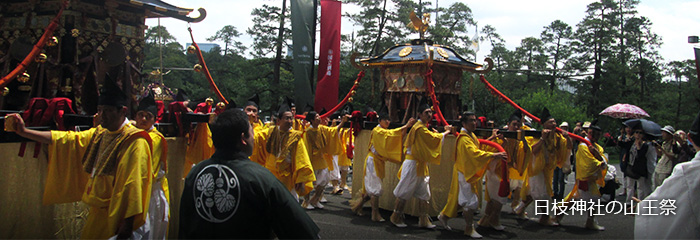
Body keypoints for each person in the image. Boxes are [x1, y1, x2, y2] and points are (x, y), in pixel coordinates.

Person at [5, 80, 153, 239]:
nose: (102, 116)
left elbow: (135, 185)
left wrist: (127, 225)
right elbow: (67, 140)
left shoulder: (135, 141)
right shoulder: (101, 133)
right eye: (100, 110)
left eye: (108, 110)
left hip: (120, 219)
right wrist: (25, 132)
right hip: (97, 215)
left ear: (122, 111)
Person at [179, 109, 320, 239]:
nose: (254, 138)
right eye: (252, 132)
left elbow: (184, 225)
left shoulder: (195, 174)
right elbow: (302, 231)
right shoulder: (261, 179)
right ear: (243, 138)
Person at [437, 112, 506, 238]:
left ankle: (443, 216)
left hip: (467, 171)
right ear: (463, 123)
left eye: (475, 120)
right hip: (465, 172)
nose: (474, 123)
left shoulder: (470, 135)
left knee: (462, 199)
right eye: (471, 121)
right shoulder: (464, 139)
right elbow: (474, 153)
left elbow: (477, 146)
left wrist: (491, 138)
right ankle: (469, 228)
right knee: (470, 202)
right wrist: (494, 155)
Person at [634, 111, 700, 239]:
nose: (663, 133)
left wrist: (644, 207)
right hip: (661, 168)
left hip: (667, 170)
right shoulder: (664, 144)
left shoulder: (689, 173)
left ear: (690, 137)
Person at [390, 98, 453, 228]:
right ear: (419, 114)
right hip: (413, 165)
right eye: (426, 112)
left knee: (424, 194)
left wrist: (438, 133)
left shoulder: (421, 127)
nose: (429, 115)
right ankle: (395, 217)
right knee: (403, 192)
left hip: (419, 165)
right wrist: (446, 132)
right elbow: (432, 139)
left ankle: (424, 220)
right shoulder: (419, 128)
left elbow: (430, 138)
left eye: (430, 112)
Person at [351, 105, 415, 222]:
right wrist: (406, 126)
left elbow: (395, 136)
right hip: (373, 162)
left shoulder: (382, 131)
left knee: (372, 189)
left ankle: (358, 207)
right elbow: (390, 135)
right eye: (385, 120)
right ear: (380, 120)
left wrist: (405, 128)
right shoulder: (377, 130)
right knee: (375, 189)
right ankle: (375, 214)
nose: (388, 122)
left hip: (377, 161)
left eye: (389, 120)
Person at [514, 107, 572, 226]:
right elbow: (532, 151)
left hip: (547, 168)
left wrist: (568, 138)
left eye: (554, 122)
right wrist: (542, 139)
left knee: (532, 192)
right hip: (536, 168)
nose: (554, 124)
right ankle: (545, 218)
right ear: (544, 124)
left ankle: (519, 209)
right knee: (542, 193)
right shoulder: (536, 135)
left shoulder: (558, 136)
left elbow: (568, 147)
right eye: (551, 122)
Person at [250, 102, 315, 200]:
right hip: (269, 176)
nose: (290, 121)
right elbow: (255, 142)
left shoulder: (295, 137)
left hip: (287, 177)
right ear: (279, 120)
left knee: (290, 205)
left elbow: (301, 159)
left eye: (291, 118)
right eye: (287, 118)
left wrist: (300, 178)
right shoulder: (269, 133)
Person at [555, 120, 608, 230]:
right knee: (590, 199)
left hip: (590, 179)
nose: (596, 136)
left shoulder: (597, 147)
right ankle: (589, 221)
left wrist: (599, 157)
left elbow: (603, 160)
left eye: (598, 135)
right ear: (589, 133)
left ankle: (559, 213)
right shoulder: (583, 146)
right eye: (594, 134)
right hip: (585, 178)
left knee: (580, 200)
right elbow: (589, 163)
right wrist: (600, 161)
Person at [134, 93, 170, 239]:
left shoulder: (154, 139)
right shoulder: (135, 134)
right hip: (137, 192)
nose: (143, 119)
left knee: (151, 232)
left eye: (148, 116)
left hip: (151, 193)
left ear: (154, 120)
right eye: (140, 115)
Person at [301, 111, 348, 209]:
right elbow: (306, 147)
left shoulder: (321, 128)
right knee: (309, 182)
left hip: (321, 158)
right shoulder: (307, 132)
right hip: (311, 159)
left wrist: (343, 122)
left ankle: (315, 199)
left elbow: (333, 131)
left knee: (324, 180)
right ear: (312, 120)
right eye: (317, 117)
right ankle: (306, 202)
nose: (319, 118)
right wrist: (307, 162)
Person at [625, 126, 657, 206]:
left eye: (640, 133)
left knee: (640, 187)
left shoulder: (645, 145)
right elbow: (623, 147)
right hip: (631, 166)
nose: (638, 134)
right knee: (630, 186)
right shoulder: (631, 142)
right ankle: (629, 202)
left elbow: (641, 156)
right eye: (636, 132)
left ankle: (640, 202)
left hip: (640, 168)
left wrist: (639, 147)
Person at [552, 121, 570, 200]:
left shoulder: (568, 137)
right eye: (563, 128)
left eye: (565, 128)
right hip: (556, 160)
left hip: (563, 161)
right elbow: (555, 146)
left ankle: (561, 194)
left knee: (561, 179)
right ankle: (555, 192)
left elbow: (570, 147)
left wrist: (567, 137)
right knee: (555, 179)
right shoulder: (557, 136)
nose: (564, 129)